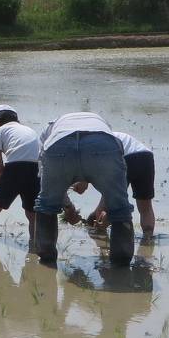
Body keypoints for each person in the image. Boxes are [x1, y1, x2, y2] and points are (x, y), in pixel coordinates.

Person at [33, 112, 134, 266]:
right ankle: (121, 266)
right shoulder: (99, 121)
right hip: (102, 145)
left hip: (59, 145)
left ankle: (47, 259)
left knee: (47, 206)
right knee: (120, 208)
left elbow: (45, 178)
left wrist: (68, 207)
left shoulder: (50, 130)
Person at [73, 131, 157, 240]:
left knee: (107, 203)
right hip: (145, 156)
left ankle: (101, 240)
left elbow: (84, 181)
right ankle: (148, 239)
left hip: (124, 158)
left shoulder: (86, 146)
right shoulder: (103, 136)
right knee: (145, 207)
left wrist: (82, 181)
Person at [0, 105, 40, 244]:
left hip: (15, 167)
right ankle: (34, 247)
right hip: (36, 169)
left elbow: (0, 167)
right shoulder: (30, 130)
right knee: (32, 215)